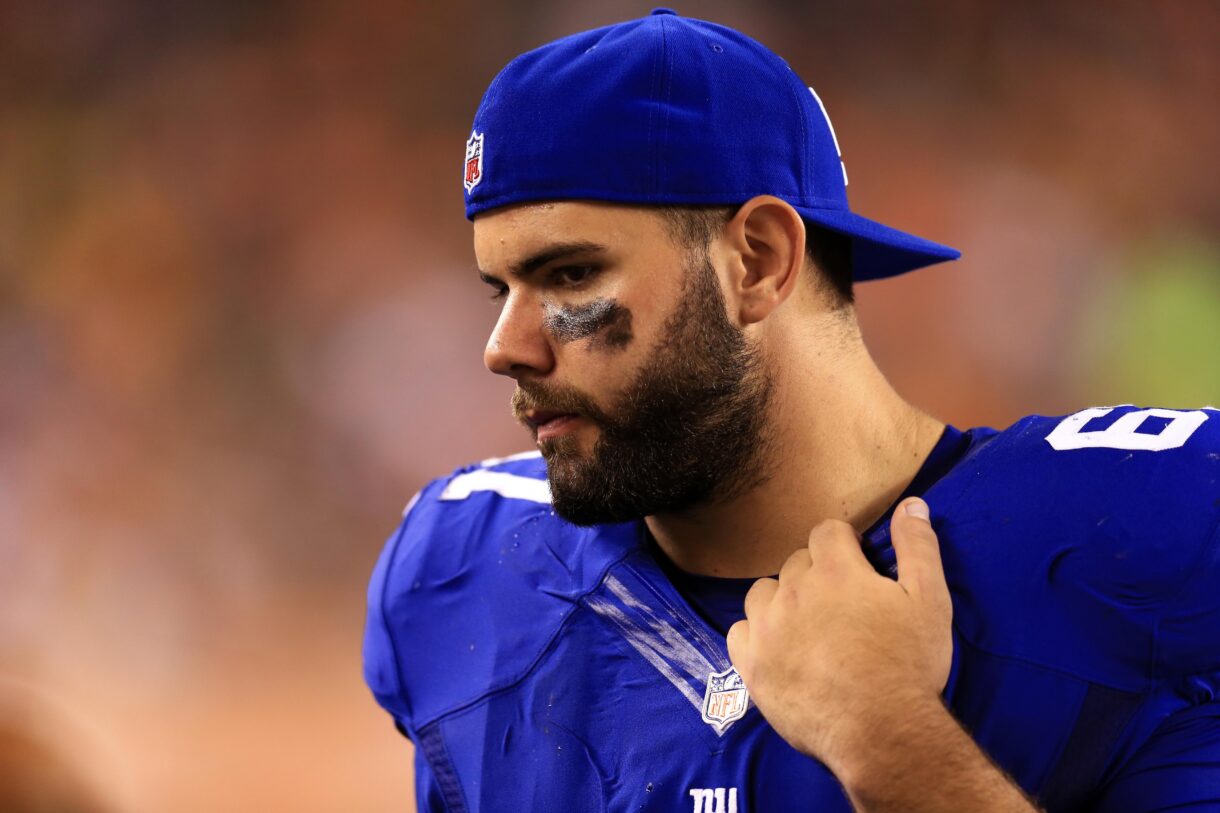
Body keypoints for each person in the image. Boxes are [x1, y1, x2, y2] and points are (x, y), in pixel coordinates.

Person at [364, 10, 1220, 812]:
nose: (503, 346)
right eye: (499, 288)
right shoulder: (456, 574)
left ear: (759, 261)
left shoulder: (1144, 539)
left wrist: (895, 744)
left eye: (570, 276)